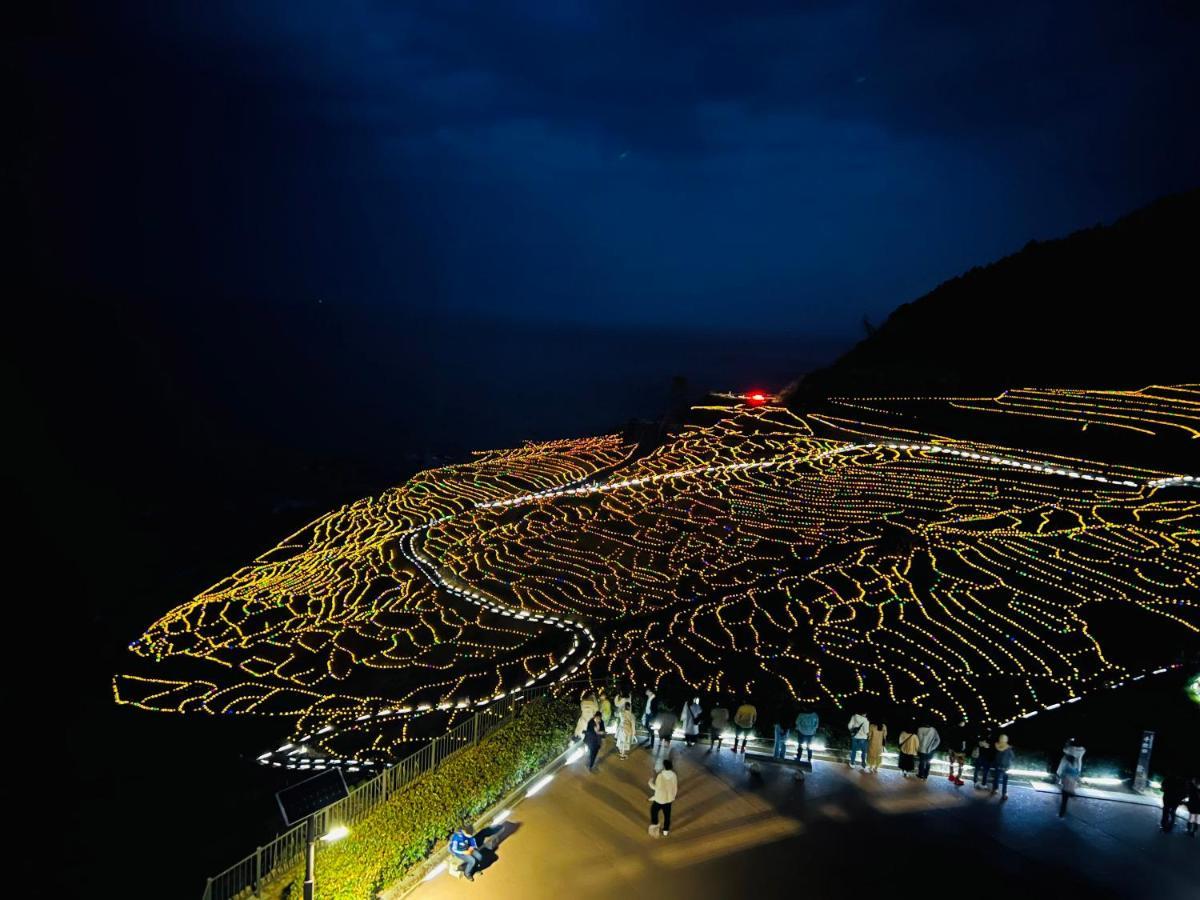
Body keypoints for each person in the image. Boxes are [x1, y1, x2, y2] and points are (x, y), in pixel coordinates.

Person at [648, 757, 679, 837]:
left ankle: (655, 824)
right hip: (668, 800)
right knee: (667, 815)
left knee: (653, 811)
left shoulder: (660, 776)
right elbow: (675, 787)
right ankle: (666, 830)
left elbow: (657, 788)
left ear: (664, 766)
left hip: (659, 799)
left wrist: (650, 782)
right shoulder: (674, 775)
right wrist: (673, 797)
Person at [1057, 748, 1081, 816]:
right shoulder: (1075, 768)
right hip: (1070, 785)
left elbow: (1062, 774)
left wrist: (1060, 780)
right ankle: (1072, 795)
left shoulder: (1067, 767)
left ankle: (1061, 814)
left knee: (1064, 800)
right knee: (1066, 797)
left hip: (1066, 785)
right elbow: (1077, 776)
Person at [991, 734, 1013, 801]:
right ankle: (1004, 793)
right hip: (1005, 767)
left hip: (997, 765)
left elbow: (994, 755)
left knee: (996, 778)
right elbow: (1012, 757)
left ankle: (995, 789)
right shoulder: (1008, 748)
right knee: (1005, 781)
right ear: (1006, 739)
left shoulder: (996, 746)